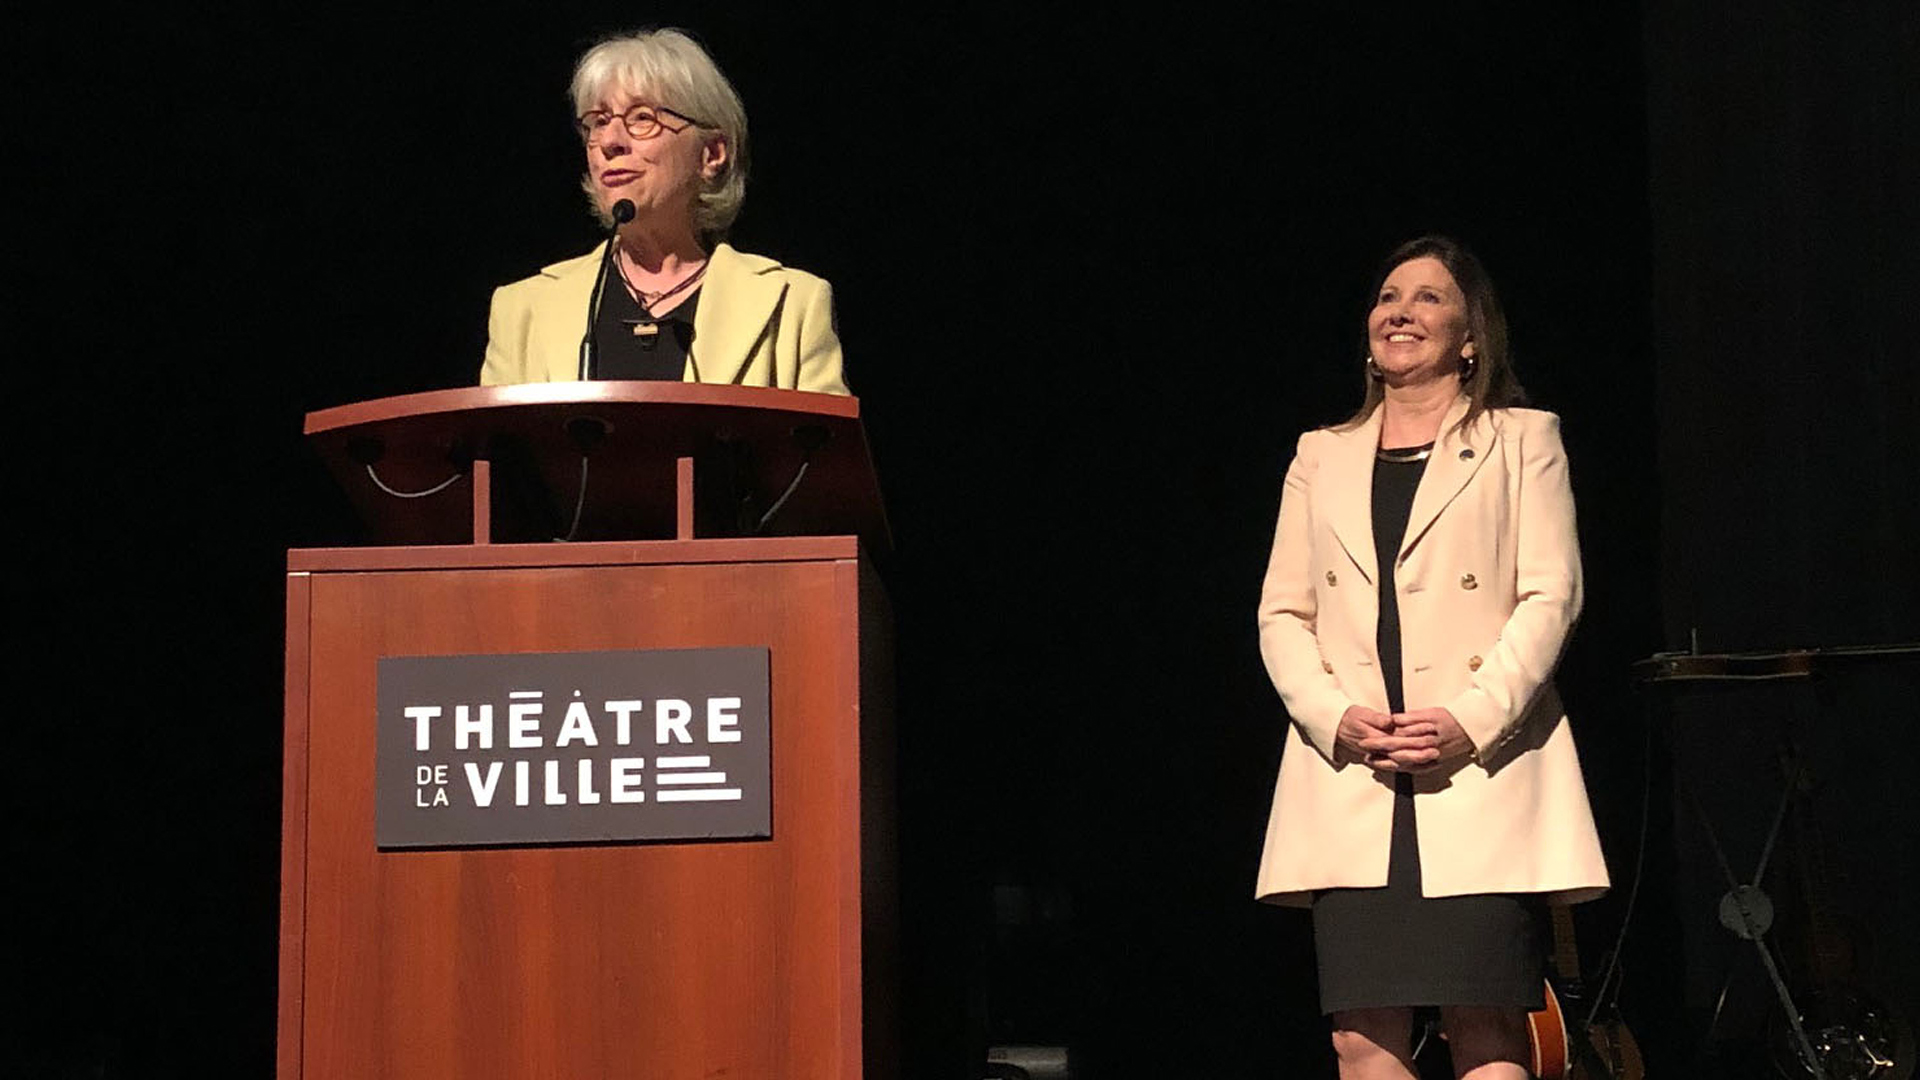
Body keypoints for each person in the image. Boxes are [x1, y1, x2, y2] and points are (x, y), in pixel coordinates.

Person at [1253, 236, 1609, 1080]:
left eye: (1427, 298)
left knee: (1482, 1027)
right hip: (1357, 776)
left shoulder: (1523, 439)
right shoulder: (1319, 454)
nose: (1399, 312)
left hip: (1475, 775)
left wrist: (1471, 721)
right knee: (1359, 1036)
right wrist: (1335, 717)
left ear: (1471, 336)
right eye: (1386, 297)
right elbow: (1280, 611)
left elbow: (1550, 596)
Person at [480, 29, 849, 395]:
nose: (609, 142)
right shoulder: (522, 310)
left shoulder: (793, 304)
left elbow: (824, 452)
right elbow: (492, 450)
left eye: (642, 118)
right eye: (598, 121)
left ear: (712, 154)